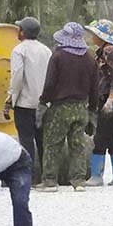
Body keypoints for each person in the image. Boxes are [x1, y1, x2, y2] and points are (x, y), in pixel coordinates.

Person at [38, 22, 97, 193]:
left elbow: (50, 83)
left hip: (60, 108)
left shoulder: (58, 56)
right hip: (81, 108)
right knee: (77, 146)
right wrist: (92, 110)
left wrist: (43, 101)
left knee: (52, 144)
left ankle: (50, 181)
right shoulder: (90, 59)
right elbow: (95, 88)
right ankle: (79, 181)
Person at [3, 17, 51, 184]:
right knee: (42, 141)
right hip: (43, 104)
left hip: (24, 103)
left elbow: (17, 77)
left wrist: (11, 98)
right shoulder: (46, 50)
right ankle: (46, 176)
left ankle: (28, 177)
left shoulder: (19, 50)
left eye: (19, 29)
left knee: (26, 140)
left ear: (23, 32)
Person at [84, 19, 113, 187]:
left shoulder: (110, 51)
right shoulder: (102, 51)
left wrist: (110, 99)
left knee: (101, 136)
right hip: (107, 97)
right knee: (112, 137)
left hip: (110, 99)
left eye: (94, 34)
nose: (92, 37)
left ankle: (97, 175)